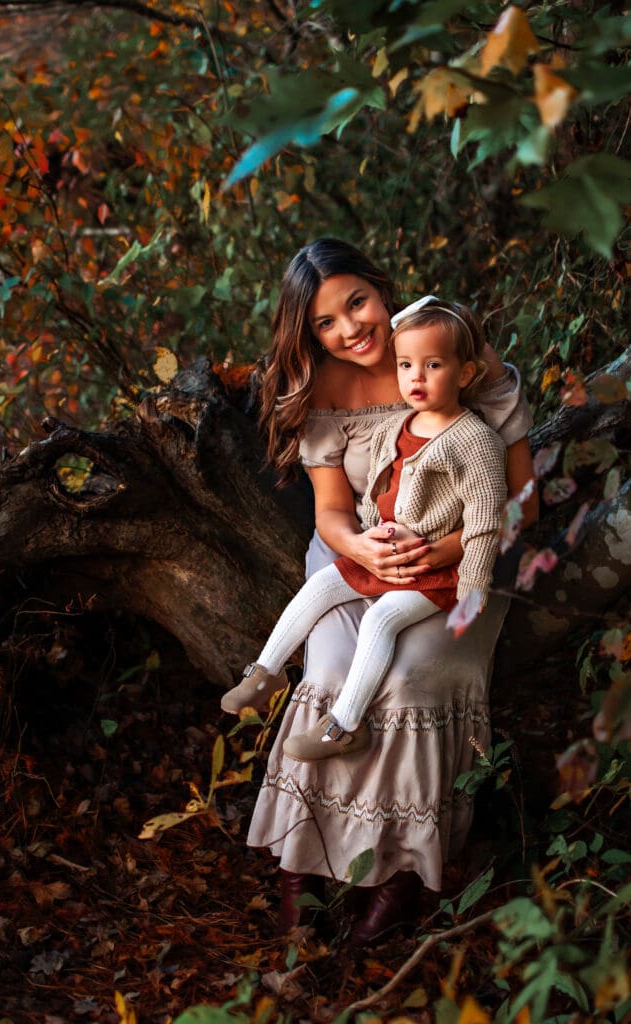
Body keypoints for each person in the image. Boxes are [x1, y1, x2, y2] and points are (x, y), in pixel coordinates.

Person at [231, 239, 538, 946]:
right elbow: (332, 515)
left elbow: (521, 501)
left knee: (405, 679)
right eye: (325, 323)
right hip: (352, 551)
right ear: (309, 335)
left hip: (458, 558)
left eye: (357, 303)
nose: (350, 329)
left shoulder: (443, 352)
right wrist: (364, 546)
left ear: (380, 287)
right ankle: (300, 868)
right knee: (337, 672)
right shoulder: (321, 390)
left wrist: (441, 549)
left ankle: (400, 874)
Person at [222, 297, 507, 769]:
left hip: (438, 572)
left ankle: (344, 726)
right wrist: (369, 539)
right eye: (407, 365)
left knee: (380, 621)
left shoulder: (474, 441)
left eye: (432, 365)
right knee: (320, 586)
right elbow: (375, 492)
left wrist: (474, 586)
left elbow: (486, 519)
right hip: (387, 553)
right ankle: (265, 672)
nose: (416, 377)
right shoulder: (397, 424)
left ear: (465, 374)